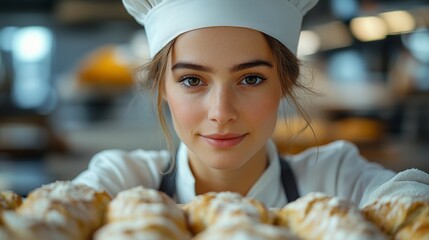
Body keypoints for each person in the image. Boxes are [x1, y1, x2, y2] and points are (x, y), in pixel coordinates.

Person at [73, 0, 429, 208]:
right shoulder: (123, 184)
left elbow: (410, 202)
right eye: (192, 80)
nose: (222, 112)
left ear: (284, 83)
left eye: (251, 79)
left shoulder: (334, 180)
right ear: (163, 87)